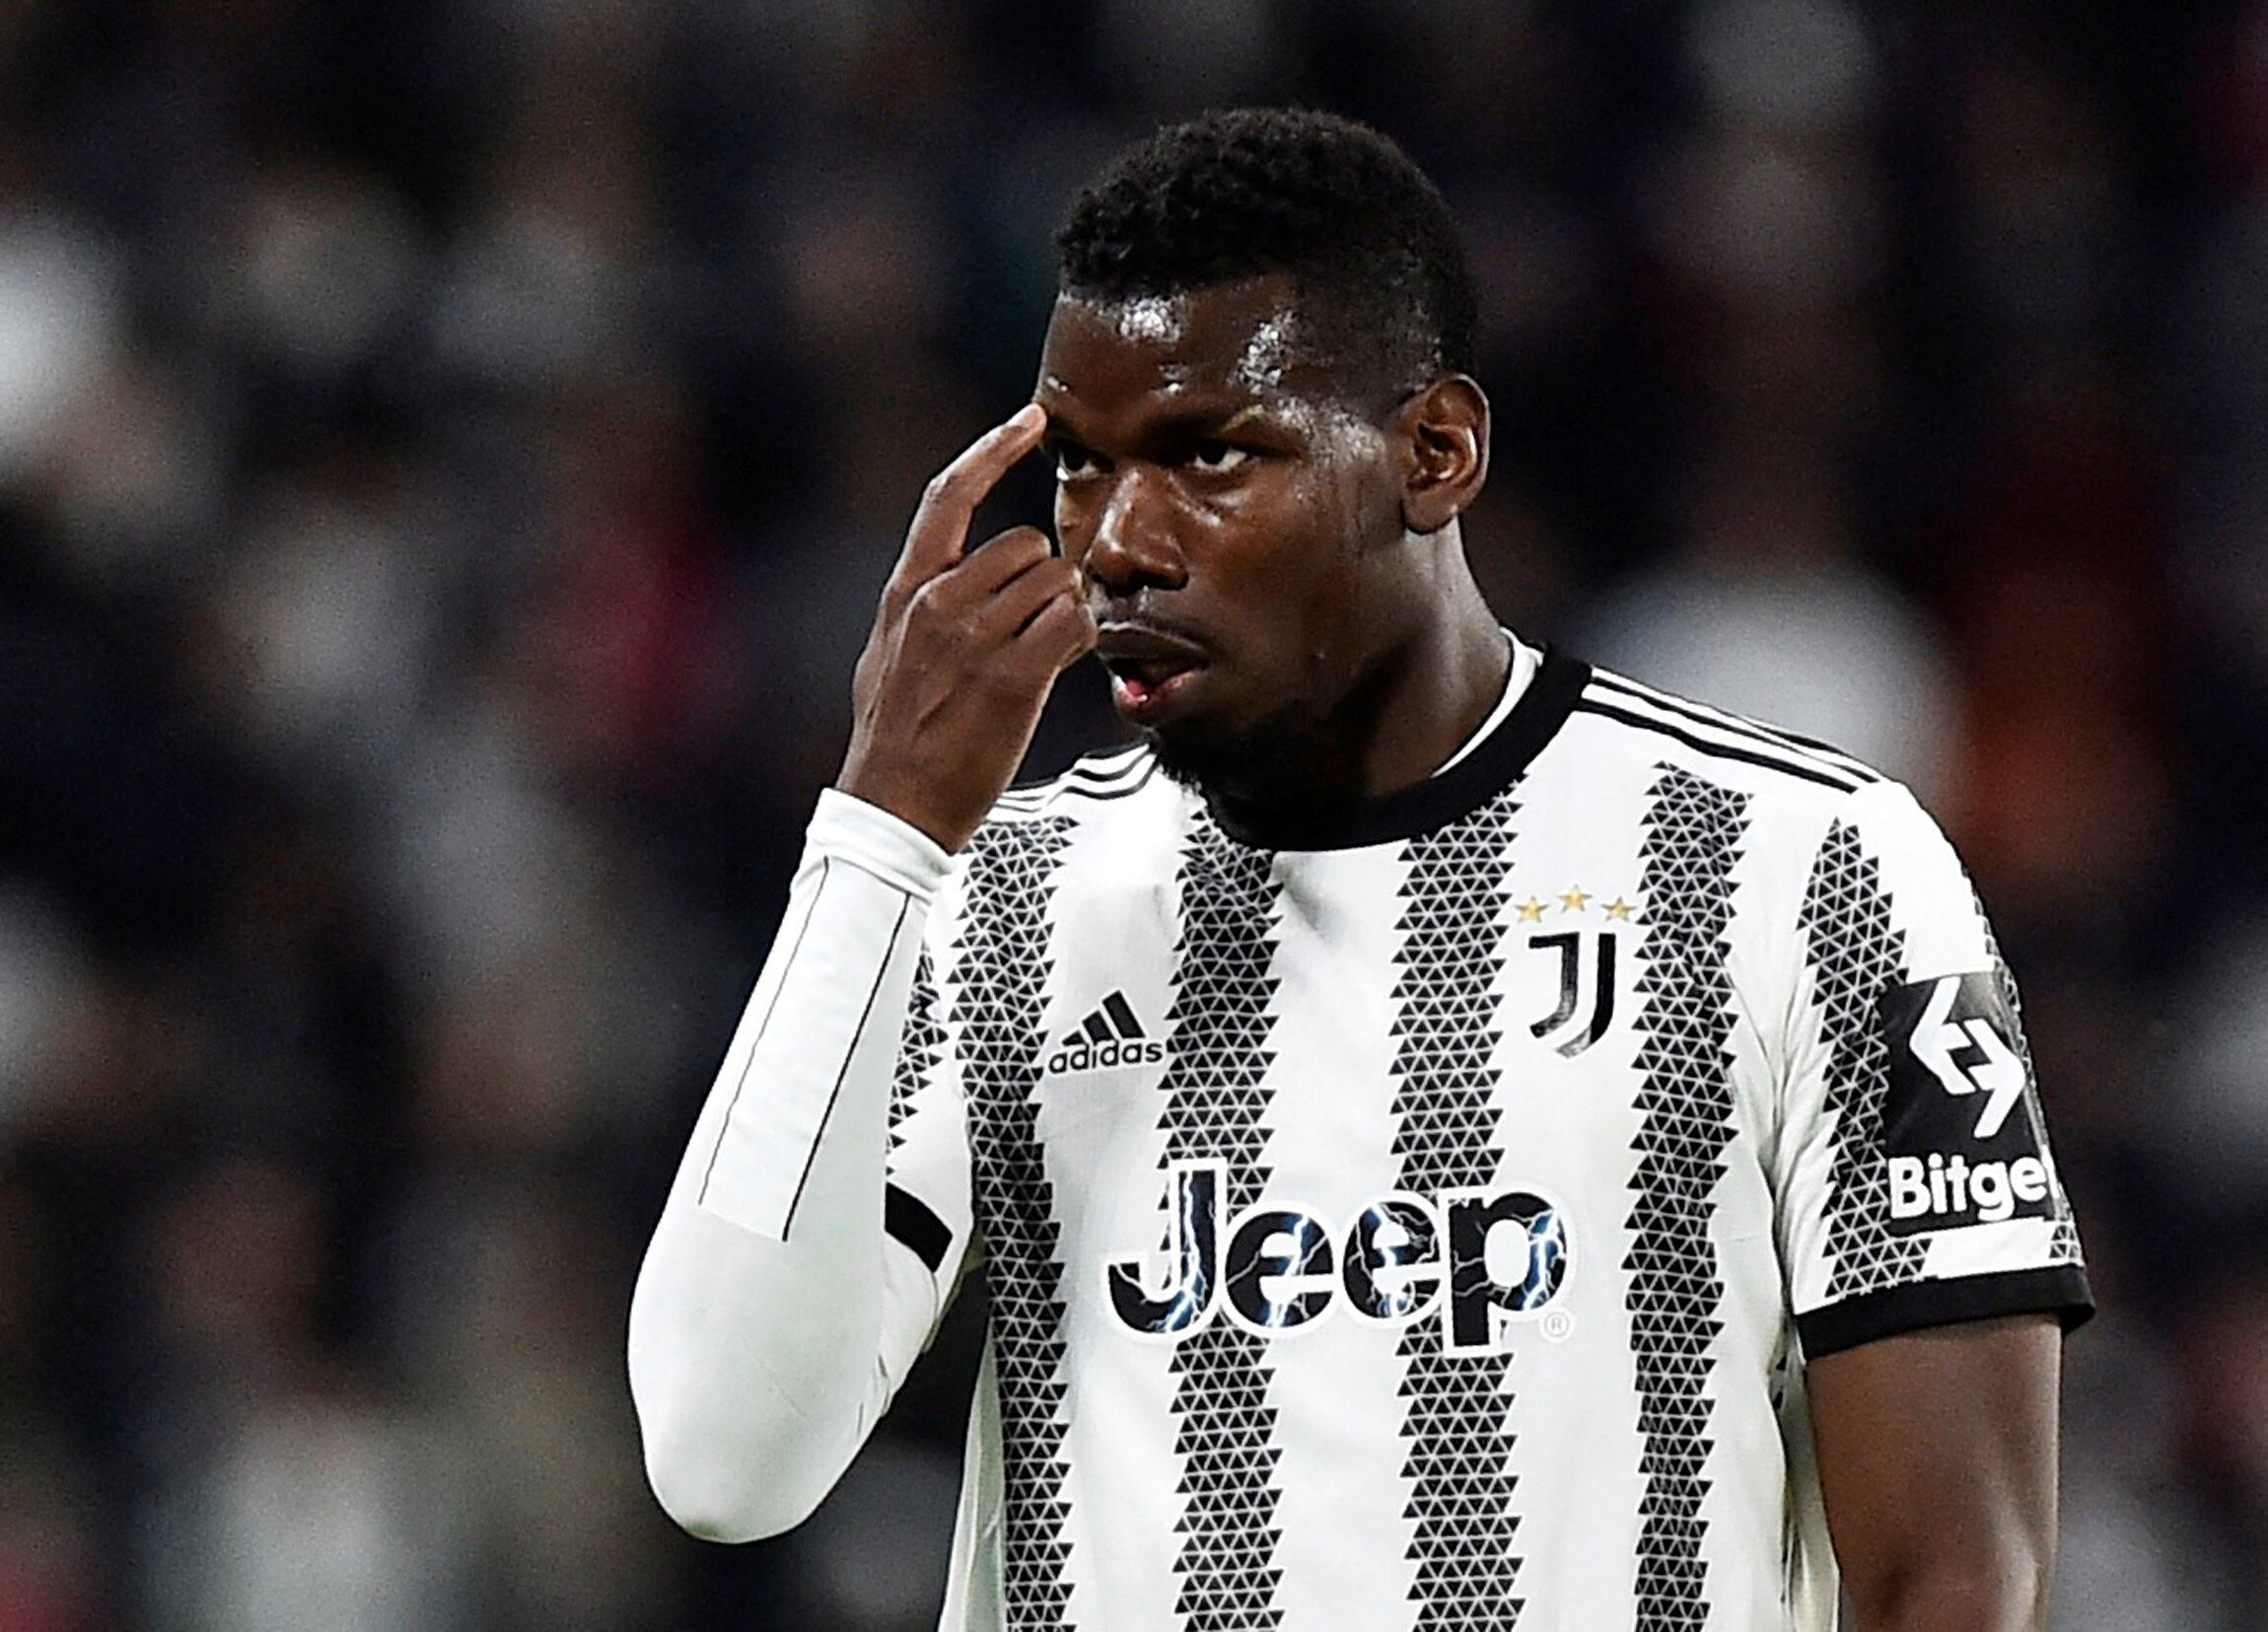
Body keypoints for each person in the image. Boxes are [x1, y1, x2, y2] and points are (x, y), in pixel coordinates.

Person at [628, 107, 2091, 1631]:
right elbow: (722, 1455)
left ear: (1435, 452)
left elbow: (1954, 1574)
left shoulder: (1809, 871)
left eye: (1208, 453)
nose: (1117, 542)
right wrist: (875, 840)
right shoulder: (1006, 897)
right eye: (1078, 469)